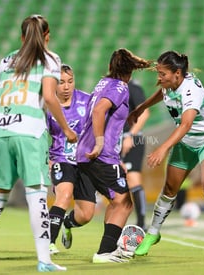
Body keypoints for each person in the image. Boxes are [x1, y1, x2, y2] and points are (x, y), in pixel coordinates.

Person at [0, 15, 76, 272]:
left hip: (1, 133)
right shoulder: (50, 59)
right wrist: (67, 129)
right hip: (29, 132)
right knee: (36, 196)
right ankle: (44, 261)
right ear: (47, 36)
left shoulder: (5, 61)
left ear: (21, 37)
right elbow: (49, 97)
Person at [129, 51, 204, 260]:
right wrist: (141, 108)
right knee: (169, 189)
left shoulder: (191, 90)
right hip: (187, 141)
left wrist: (163, 148)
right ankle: (152, 234)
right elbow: (163, 93)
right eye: (158, 73)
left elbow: (186, 124)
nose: (159, 79)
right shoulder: (171, 84)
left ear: (177, 73)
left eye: (162, 74)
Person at [62, 48, 152, 263]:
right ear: (129, 72)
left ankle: (108, 250)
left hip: (87, 155)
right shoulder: (120, 87)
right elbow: (99, 111)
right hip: (99, 154)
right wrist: (101, 142)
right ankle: (104, 252)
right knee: (124, 202)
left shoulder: (103, 83)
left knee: (116, 200)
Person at [47, 64, 93, 254]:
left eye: (70, 81)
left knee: (86, 215)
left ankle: (67, 223)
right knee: (64, 195)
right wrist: (47, 160)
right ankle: (48, 243)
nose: (66, 87)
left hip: (84, 162)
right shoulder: (47, 106)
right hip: (60, 158)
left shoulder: (87, 100)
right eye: (61, 83)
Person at [121, 79, 150, 229]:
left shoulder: (133, 87)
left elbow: (144, 113)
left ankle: (141, 223)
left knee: (133, 179)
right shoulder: (112, 87)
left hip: (131, 139)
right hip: (116, 140)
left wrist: (130, 135)